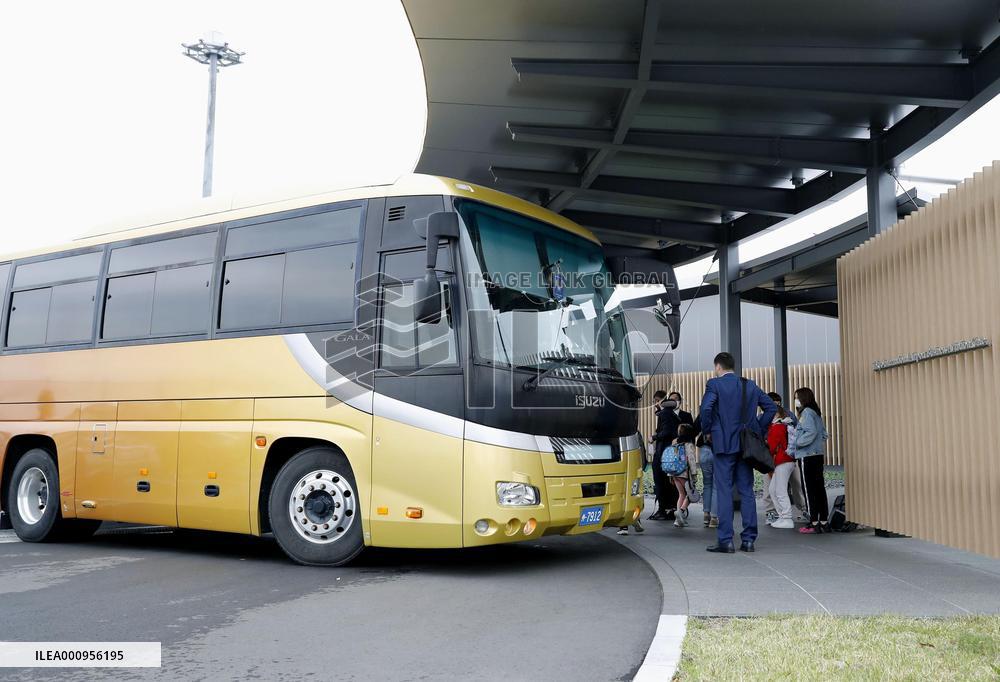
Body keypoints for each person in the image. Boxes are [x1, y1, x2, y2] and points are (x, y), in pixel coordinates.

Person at [699, 352, 776, 553]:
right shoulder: (749, 384)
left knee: (724, 490)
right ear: (733, 366)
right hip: (746, 445)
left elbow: (706, 409)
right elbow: (770, 408)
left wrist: (708, 431)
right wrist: (756, 429)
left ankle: (726, 540)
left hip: (723, 444)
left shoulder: (714, 384)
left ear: (718, 367)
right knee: (746, 491)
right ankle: (749, 540)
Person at [787, 387, 830, 534]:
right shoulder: (816, 413)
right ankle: (823, 521)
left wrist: (797, 442)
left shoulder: (806, 413)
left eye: (797, 397)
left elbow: (810, 432)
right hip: (817, 455)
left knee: (809, 489)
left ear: (803, 398)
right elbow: (823, 434)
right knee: (819, 488)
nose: (796, 400)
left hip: (807, 456)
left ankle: (813, 522)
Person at [648, 390, 693, 521]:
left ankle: (663, 509)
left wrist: (654, 437)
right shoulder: (672, 415)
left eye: (658, 401)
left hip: (664, 453)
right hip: (673, 454)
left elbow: (665, 431)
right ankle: (672, 509)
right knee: (672, 483)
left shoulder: (665, 414)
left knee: (660, 481)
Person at [766, 404, 796, 529]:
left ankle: (787, 518)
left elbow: (772, 447)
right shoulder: (785, 425)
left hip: (782, 461)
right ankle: (783, 516)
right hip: (787, 460)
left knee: (780, 490)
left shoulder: (776, 427)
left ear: (776, 414)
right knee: (773, 489)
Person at [668, 424, 698, 528]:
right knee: (690, 495)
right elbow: (691, 460)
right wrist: (694, 474)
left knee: (681, 494)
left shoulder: (674, 442)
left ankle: (678, 520)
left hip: (675, 472)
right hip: (685, 474)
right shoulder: (689, 444)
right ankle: (680, 511)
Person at [694, 413, 718, 527]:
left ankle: (706, 514)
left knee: (707, 483)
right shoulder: (723, 411)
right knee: (716, 485)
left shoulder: (704, 413)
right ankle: (714, 517)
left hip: (703, 449)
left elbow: (694, 429)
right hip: (718, 449)